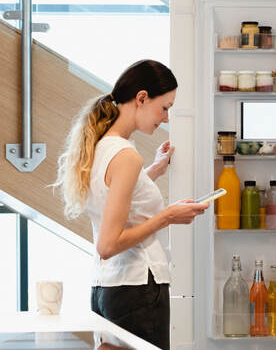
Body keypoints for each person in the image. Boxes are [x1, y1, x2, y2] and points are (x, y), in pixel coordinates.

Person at [53, 59, 209, 349]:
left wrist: (152, 171)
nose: (165, 118)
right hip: (139, 289)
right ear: (141, 98)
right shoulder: (126, 156)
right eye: (165, 108)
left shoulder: (101, 147)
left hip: (107, 289)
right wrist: (167, 216)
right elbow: (108, 245)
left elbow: (116, 198)